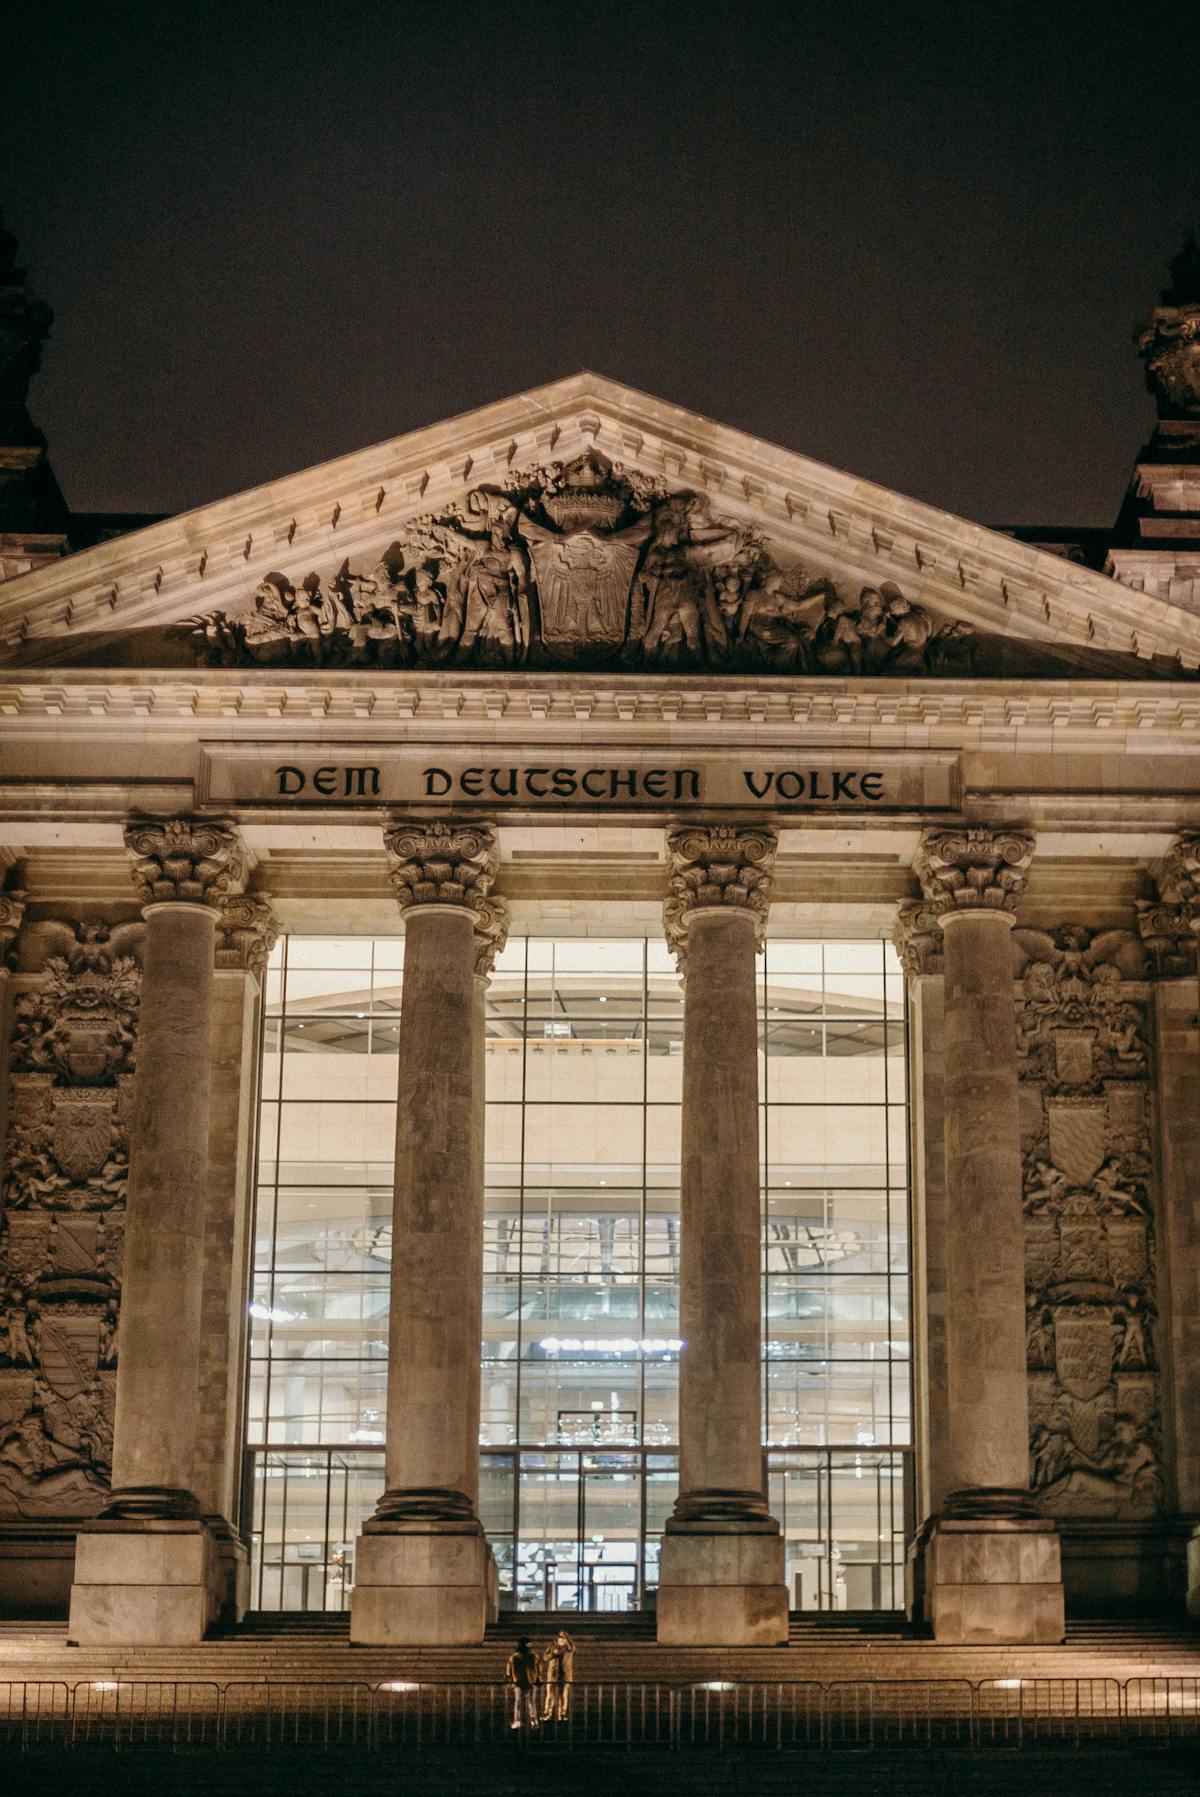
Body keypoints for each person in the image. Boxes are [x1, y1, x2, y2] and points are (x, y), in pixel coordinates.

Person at [505, 1636, 540, 1731]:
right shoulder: (532, 1656)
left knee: (520, 1702)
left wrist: (509, 1680)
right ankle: (532, 1721)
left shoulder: (515, 1656)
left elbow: (509, 1670)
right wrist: (538, 1679)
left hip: (520, 1681)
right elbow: (538, 1669)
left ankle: (519, 1721)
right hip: (528, 1681)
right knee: (530, 1702)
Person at [540, 1629, 574, 1722]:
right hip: (553, 1674)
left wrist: (566, 1643)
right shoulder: (552, 1646)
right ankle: (547, 1713)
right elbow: (545, 1657)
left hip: (565, 1675)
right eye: (560, 1638)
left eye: (564, 1638)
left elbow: (571, 1648)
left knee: (563, 1695)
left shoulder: (569, 1647)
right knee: (550, 1695)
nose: (562, 1640)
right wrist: (552, 1653)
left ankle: (562, 1714)